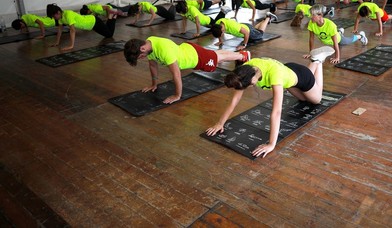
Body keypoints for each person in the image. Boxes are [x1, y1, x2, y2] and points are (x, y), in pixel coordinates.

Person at [205, 46, 334, 158]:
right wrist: (219, 123)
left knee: (316, 100)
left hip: (301, 76)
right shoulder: (245, 71)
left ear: (253, 81)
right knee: (303, 99)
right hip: (288, 72)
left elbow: (277, 112)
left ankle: (318, 61)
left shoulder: (274, 76)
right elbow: (234, 100)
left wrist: (271, 144)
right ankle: (314, 62)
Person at [123, 36, 251, 104]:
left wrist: (177, 95)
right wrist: (154, 84)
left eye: (141, 57)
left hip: (194, 57)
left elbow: (176, 74)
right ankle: (240, 55)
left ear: (142, 49)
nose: (143, 58)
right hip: (188, 49)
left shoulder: (163, 50)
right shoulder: (149, 43)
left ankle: (243, 55)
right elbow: (152, 65)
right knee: (216, 55)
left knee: (218, 58)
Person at [46, 3, 117, 51]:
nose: (54, 18)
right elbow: (59, 30)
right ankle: (112, 15)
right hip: (91, 25)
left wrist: (71, 45)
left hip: (93, 21)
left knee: (109, 34)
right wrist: (57, 42)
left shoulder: (68, 15)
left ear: (58, 12)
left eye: (53, 16)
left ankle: (113, 14)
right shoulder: (60, 18)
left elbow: (73, 30)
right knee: (108, 33)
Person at [211, 12, 278, 50]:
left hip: (247, 30)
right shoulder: (218, 24)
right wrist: (220, 41)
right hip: (243, 26)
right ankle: (264, 21)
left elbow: (246, 33)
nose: (222, 35)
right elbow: (218, 32)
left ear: (222, 30)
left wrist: (244, 45)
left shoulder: (233, 27)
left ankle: (268, 17)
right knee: (256, 30)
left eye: (222, 34)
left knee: (260, 34)